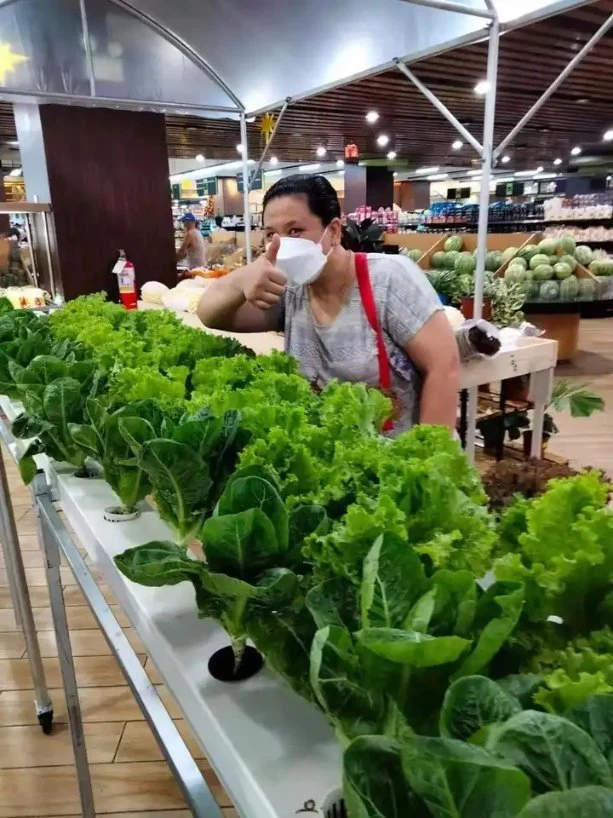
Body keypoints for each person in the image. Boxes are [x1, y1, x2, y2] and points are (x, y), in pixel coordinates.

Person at [198, 174, 460, 433]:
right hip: (329, 459)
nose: (281, 244)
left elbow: (443, 367)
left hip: (392, 457)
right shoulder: (290, 290)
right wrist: (242, 278)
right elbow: (210, 314)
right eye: (270, 235)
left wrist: (424, 460)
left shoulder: (387, 278)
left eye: (295, 231)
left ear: (333, 231)